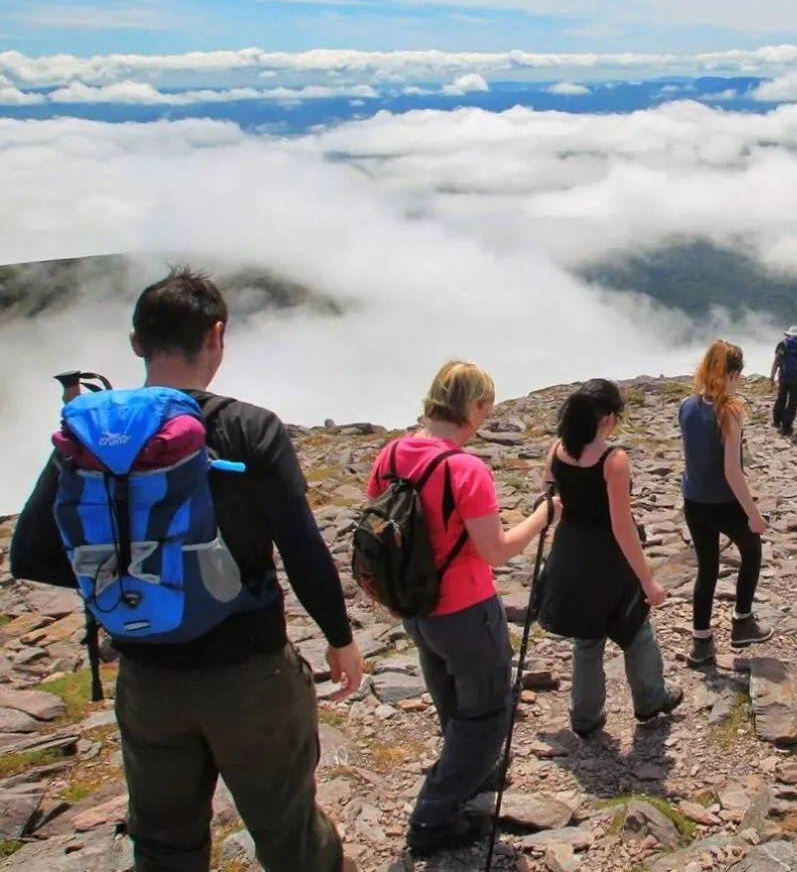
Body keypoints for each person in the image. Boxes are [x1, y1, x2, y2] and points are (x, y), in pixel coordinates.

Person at [9, 265, 364, 872]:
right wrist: (339, 638)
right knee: (289, 833)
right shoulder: (249, 427)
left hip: (147, 678)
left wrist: (129, 577)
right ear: (217, 335)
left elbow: (30, 555)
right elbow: (302, 549)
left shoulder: (89, 432)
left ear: (136, 342)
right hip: (248, 672)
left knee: (164, 845)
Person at [364, 360, 558, 859]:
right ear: (472, 406)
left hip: (416, 608)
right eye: (486, 407)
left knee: (451, 698)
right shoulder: (464, 469)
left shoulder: (391, 455)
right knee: (488, 713)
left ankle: (473, 771)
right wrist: (543, 516)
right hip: (467, 609)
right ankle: (434, 817)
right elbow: (495, 551)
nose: (486, 417)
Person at [537, 379, 684, 737]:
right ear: (606, 418)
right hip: (607, 558)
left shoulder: (557, 449)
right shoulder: (613, 460)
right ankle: (650, 698)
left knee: (587, 638)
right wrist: (648, 581)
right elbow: (622, 525)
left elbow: (549, 494)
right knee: (636, 627)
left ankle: (585, 717)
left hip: (570, 551)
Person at [678, 340, 774, 666]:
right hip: (723, 503)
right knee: (752, 550)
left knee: (707, 569)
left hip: (694, 501)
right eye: (738, 375)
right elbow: (732, 471)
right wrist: (754, 515)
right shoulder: (731, 411)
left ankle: (701, 641)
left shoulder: (687, 405)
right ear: (732, 374)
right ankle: (742, 622)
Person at [769, 324, 797, 436]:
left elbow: (776, 363)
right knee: (793, 402)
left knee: (781, 399)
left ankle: (776, 421)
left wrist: (772, 377)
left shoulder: (782, 345)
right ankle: (786, 426)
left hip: (783, 378)